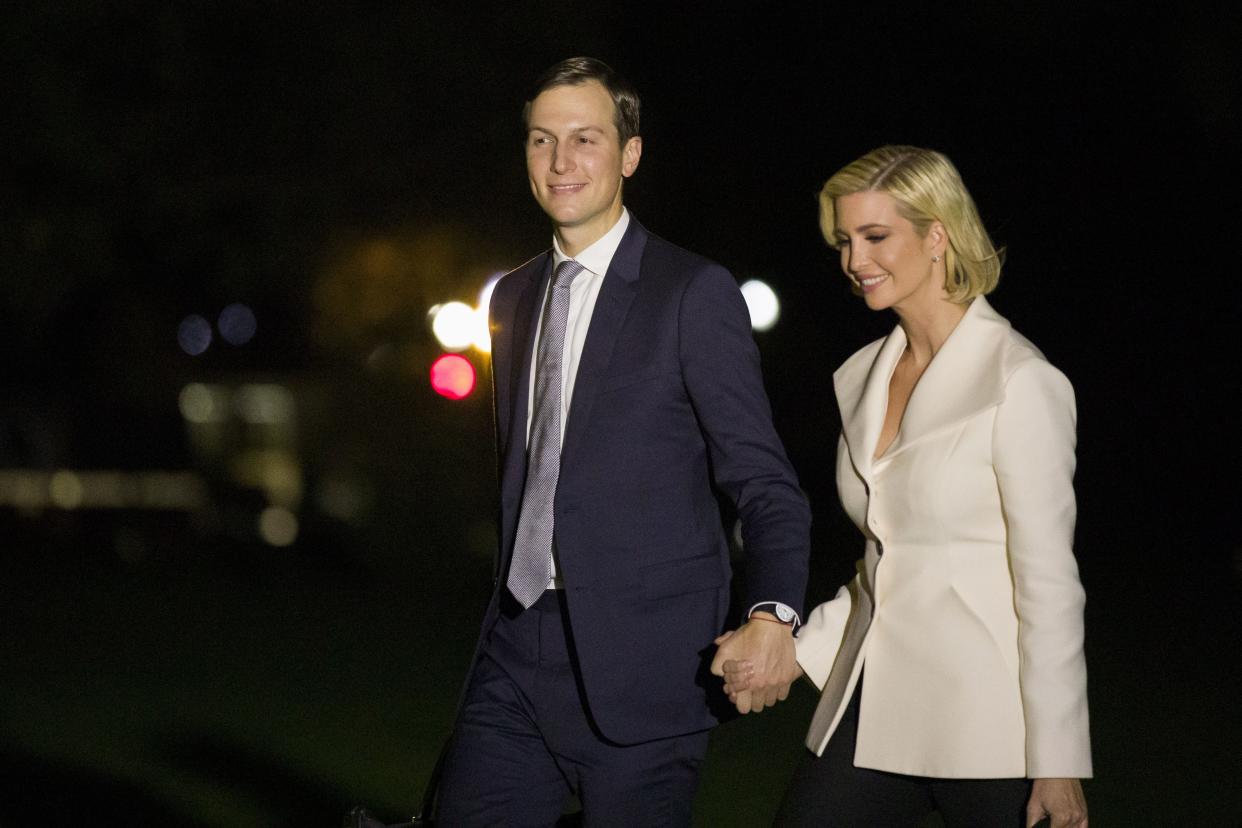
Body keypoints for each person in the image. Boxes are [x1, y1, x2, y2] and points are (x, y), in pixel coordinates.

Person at [436, 57, 811, 827]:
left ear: (629, 155)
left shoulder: (691, 292)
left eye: (585, 139)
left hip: (648, 665)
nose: (561, 161)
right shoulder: (510, 295)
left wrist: (773, 613)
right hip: (513, 649)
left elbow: (764, 483)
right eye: (542, 140)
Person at [723, 145, 1091, 827]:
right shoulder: (863, 373)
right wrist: (783, 645)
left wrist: (1059, 759)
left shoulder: (1021, 381)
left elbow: (1049, 584)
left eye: (876, 236)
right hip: (875, 707)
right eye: (844, 240)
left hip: (991, 723)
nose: (854, 259)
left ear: (937, 234)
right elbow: (888, 562)